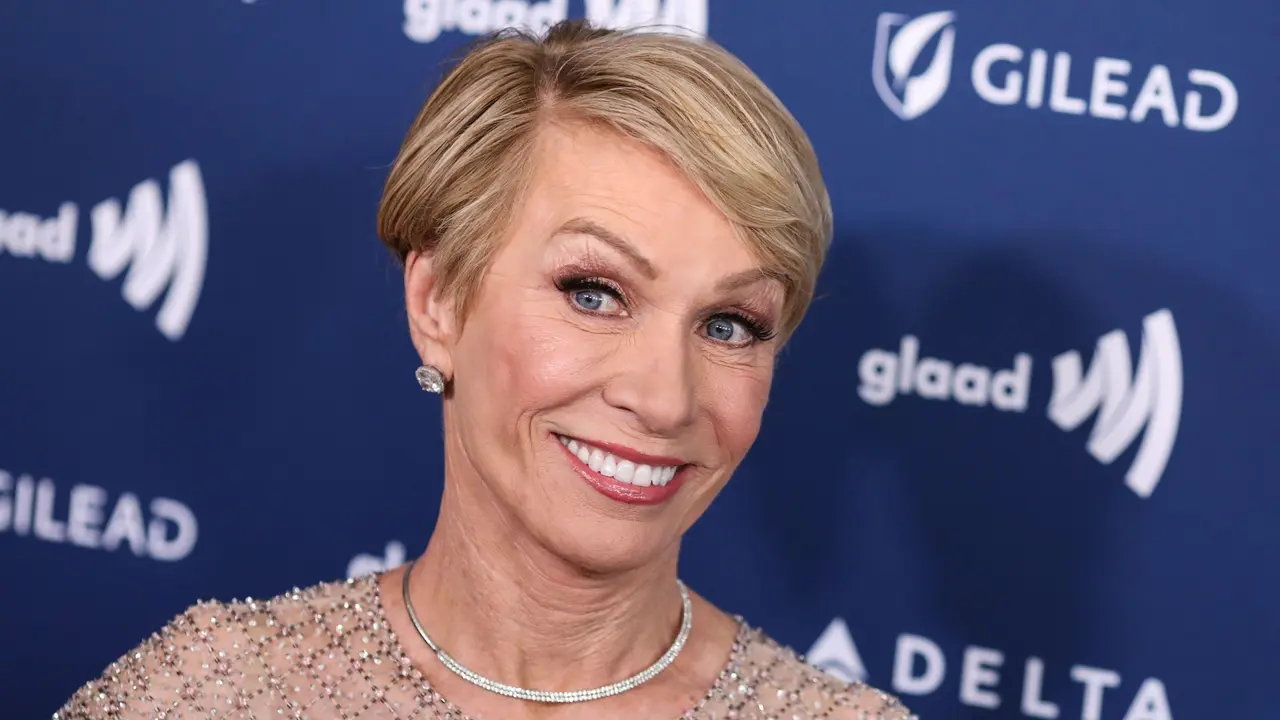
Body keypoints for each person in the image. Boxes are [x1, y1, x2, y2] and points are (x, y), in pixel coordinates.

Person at [56, 20, 914, 720]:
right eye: (594, 293)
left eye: (730, 324)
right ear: (438, 303)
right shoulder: (215, 693)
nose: (662, 398)